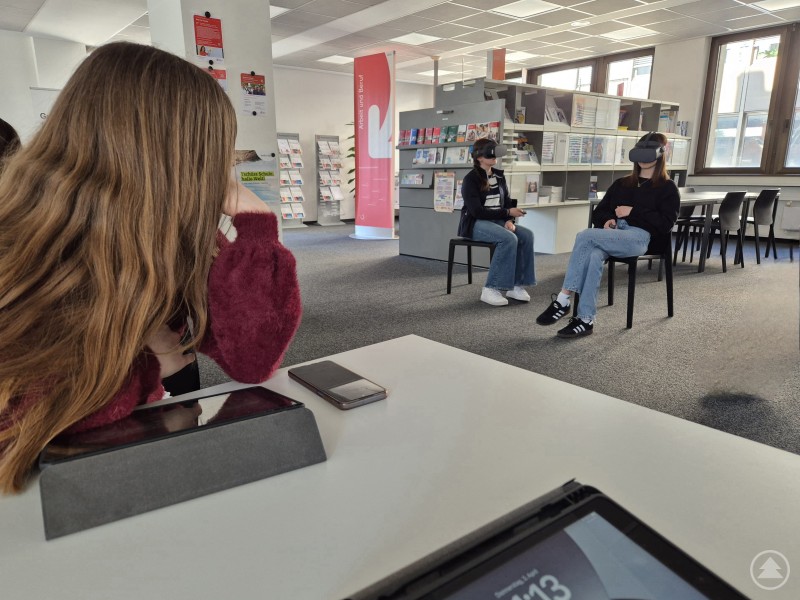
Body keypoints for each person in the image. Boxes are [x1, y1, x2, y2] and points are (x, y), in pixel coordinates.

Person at [0, 42, 302, 493]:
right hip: (35, 487)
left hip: (121, 461)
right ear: (168, 155)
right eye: (211, 150)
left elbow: (254, 359)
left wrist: (256, 226)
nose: (219, 165)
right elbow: (43, 417)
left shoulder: (174, 234)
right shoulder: (22, 239)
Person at [535, 132, 679, 337]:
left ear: (660, 155)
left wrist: (633, 212)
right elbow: (600, 211)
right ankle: (585, 320)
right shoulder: (622, 183)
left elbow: (666, 224)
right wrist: (606, 220)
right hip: (613, 234)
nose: (643, 160)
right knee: (593, 256)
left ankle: (563, 299)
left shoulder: (667, 188)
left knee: (585, 236)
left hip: (639, 238)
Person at [458, 138, 535, 306]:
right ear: (479, 157)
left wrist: (509, 219)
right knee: (508, 239)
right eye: (490, 154)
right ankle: (491, 289)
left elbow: (506, 201)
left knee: (527, 235)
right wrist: (507, 213)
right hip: (476, 223)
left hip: (498, 221)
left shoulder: (499, 175)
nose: (494, 158)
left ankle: (517, 285)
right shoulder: (470, 179)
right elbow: (476, 211)